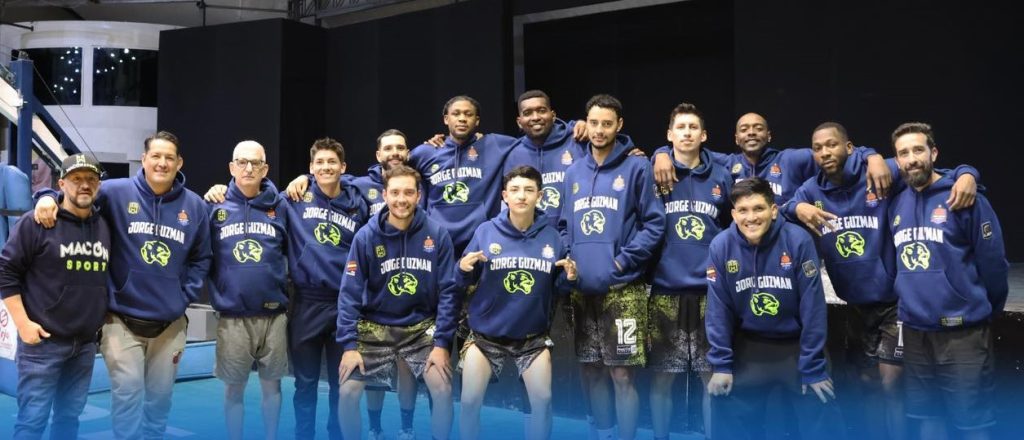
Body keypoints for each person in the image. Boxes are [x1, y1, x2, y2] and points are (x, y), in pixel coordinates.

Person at [782, 122, 979, 440]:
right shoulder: (810, 191)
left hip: (893, 302)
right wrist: (797, 206)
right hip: (855, 304)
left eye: (832, 145)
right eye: (817, 148)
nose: (824, 152)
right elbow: (777, 208)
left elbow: (939, 173)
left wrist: (970, 174)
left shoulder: (880, 171)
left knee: (889, 383)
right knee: (867, 383)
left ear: (849, 148)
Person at [33, 131, 212, 440]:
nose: (162, 163)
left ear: (179, 162)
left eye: (169, 157)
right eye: (155, 156)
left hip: (170, 323)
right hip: (121, 320)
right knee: (128, 396)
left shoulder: (194, 206)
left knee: (159, 402)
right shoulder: (116, 193)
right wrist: (46, 197)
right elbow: (77, 196)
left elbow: (202, 257)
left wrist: (184, 296)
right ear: (143, 159)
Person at [888, 122, 1007, 440]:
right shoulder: (896, 203)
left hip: (962, 335)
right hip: (915, 334)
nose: (912, 158)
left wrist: (980, 311)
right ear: (897, 161)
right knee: (927, 420)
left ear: (933, 153)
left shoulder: (964, 197)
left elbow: (994, 266)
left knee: (974, 425)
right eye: (903, 153)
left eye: (918, 150)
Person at [560, 94, 665, 440]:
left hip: (624, 291)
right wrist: (568, 258)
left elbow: (654, 223)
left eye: (607, 123)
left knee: (622, 374)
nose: (600, 130)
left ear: (619, 126)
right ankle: (603, 433)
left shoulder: (636, 166)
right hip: (581, 291)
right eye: (594, 123)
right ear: (585, 124)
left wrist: (623, 261)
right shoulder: (573, 170)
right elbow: (563, 226)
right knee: (591, 370)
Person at [705, 177, 844, 440]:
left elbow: (813, 308)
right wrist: (721, 365)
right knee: (724, 400)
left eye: (758, 208)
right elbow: (718, 310)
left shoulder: (798, 240)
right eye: (743, 211)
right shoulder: (721, 245)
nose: (751, 217)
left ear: (773, 210)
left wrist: (813, 367)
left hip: (796, 345)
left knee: (821, 401)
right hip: (749, 343)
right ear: (733, 214)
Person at [336, 164, 459, 440]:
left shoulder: (437, 235)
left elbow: (449, 292)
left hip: (421, 327)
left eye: (407, 192)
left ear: (418, 195)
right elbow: (350, 293)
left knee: (442, 389)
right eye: (395, 193)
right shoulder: (366, 236)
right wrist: (349, 345)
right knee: (347, 392)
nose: (401, 199)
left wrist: (441, 344)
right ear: (384, 195)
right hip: (374, 326)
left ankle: (409, 430)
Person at [456, 165, 576, 440]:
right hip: (486, 336)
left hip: (532, 338)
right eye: (515, 190)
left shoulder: (552, 237)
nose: (521, 196)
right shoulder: (486, 232)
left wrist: (570, 278)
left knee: (543, 402)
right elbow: (461, 278)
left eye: (529, 190)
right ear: (504, 196)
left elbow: (557, 286)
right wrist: (462, 267)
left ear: (540, 196)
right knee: (469, 402)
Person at [0, 154, 110, 439]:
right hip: (43, 345)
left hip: (84, 345)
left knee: (68, 419)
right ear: (61, 184)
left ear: (98, 185)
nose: (84, 185)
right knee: (31, 422)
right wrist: (23, 324)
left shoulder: (104, 226)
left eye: (91, 179)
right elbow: (6, 274)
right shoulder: (36, 223)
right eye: (76, 179)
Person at [647, 103, 733, 440]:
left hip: (709, 294)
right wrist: (658, 155)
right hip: (665, 290)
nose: (686, 133)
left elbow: (733, 227)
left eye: (693, 127)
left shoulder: (722, 176)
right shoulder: (653, 172)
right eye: (679, 127)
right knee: (661, 378)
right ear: (669, 135)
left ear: (704, 135)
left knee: (709, 377)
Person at [283, 138, 368, 440]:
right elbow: (257, 194)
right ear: (310, 167)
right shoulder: (294, 198)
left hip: (344, 305)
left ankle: (337, 435)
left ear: (343, 167)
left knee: (340, 383)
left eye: (332, 162)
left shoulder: (359, 205)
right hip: (306, 302)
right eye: (319, 163)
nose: (326, 167)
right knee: (304, 383)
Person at [206, 141, 289, 440]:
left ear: (265, 169)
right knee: (234, 388)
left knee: (273, 386)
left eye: (256, 163)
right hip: (233, 317)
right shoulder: (215, 206)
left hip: (273, 315)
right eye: (242, 162)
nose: (249, 168)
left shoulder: (280, 206)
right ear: (231, 167)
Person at [652, 112, 892, 205]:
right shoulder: (727, 163)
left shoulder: (792, 160)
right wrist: (661, 153)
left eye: (758, 128)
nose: (752, 132)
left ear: (769, 135)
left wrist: (871, 156)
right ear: (736, 138)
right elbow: (687, 150)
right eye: (745, 129)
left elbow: (832, 151)